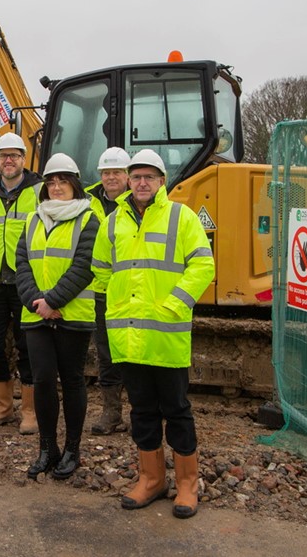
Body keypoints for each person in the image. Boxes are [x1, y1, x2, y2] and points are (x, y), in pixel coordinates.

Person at [91, 149, 215, 517]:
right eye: (136, 177)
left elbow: (203, 264)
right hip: (129, 337)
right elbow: (101, 270)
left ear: (162, 182)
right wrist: (115, 306)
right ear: (127, 181)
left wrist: (175, 304)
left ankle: (188, 484)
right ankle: (152, 479)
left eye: (149, 177)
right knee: (142, 410)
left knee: (176, 410)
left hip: (166, 336)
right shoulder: (114, 222)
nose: (142, 183)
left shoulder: (181, 216)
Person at [15, 154, 99, 481]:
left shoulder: (89, 219)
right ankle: (47, 448)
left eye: (63, 181)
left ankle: (72, 450)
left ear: (74, 184)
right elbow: (22, 263)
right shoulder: (33, 220)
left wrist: (53, 300)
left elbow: (84, 267)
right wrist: (37, 303)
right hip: (37, 315)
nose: (56, 187)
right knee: (44, 381)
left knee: (73, 380)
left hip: (72, 315)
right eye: (51, 182)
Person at [0, 133, 43, 434]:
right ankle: (2, 406)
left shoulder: (40, 190)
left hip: (26, 279)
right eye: (3, 155)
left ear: (23, 159)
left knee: (28, 344)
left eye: (14, 155)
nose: (9, 160)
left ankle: (29, 410)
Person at [85, 147, 132, 435]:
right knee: (106, 351)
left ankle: (141, 412)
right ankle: (112, 412)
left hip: (133, 290)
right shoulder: (87, 203)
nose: (111, 177)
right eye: (106, 172)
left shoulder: (140, 203)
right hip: (100, 289)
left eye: (117, 172)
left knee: (135, 350)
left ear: (127, 176)